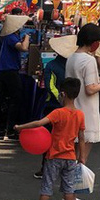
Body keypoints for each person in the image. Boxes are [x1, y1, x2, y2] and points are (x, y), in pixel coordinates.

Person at [13, 78, 85, 200]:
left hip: (53, 156)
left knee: (47, 187)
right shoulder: (80, 115)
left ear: (63, 94)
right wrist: (82, 157)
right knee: (69, 188)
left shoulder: (58, 113)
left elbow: (39, 123)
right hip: (70, 157)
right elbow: (82, 138)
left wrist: (21, 127)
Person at [66, 23, 100, 165]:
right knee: (81, 156)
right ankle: (76, 181)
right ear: (94, 42)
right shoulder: (88, 60)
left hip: (73, 106)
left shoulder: (72, 57)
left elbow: (80, 81)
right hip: (86, 109)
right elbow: (90, 89)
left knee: (73, 151)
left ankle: (70, 179)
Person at [33, 35, 76, 180]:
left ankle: (45, 168)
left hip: (52, 106)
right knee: (67, 139)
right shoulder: (74, 64)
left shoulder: (51, 65)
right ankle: (64, 169)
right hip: (71, 107)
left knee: (49, 138)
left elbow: (50, 86)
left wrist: (60, 99)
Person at [0, 14, 31, 140]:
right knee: (15, 98)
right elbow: (23, 48)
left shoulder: (9, 37)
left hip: (4, 70)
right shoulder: (11, 37)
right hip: (9, 70)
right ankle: (11, 129)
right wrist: (27, 38)